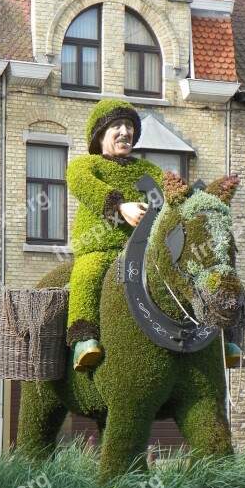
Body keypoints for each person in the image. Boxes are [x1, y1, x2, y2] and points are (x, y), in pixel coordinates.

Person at [67, 99, 163, 371]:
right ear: (100, 135)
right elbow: (83, 184)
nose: (125, 131)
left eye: (129, 125)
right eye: (117, 125)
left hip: (143, 251)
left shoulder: (149, 170)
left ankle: (208, 334)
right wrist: (120, 207)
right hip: (101, 249)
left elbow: (166, 195)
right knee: (88, 273)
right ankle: (83, 339)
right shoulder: (86, 165)